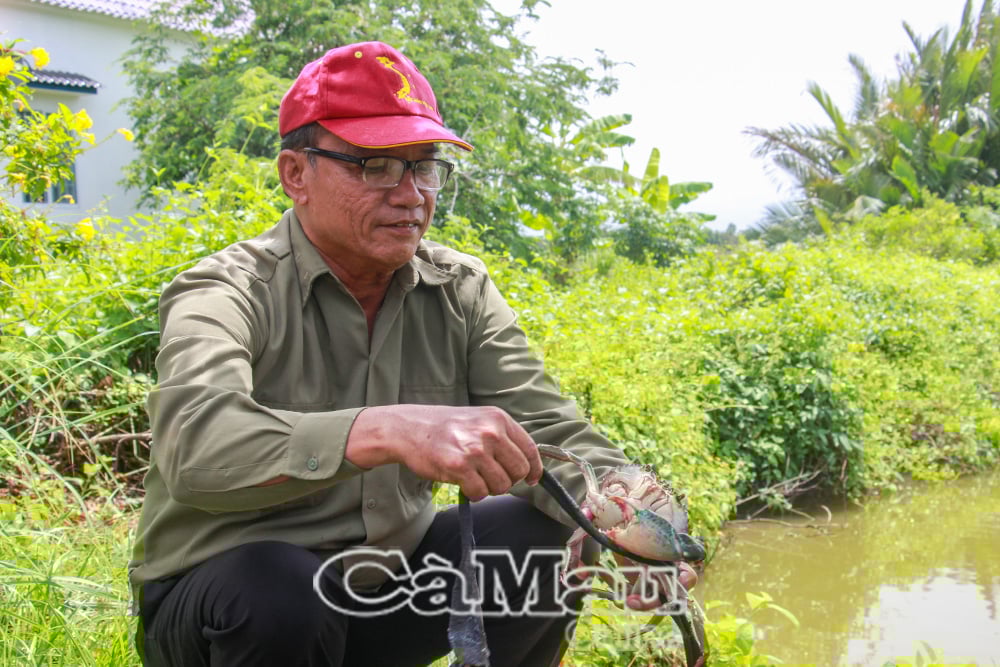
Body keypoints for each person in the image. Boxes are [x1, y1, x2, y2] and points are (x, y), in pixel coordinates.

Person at [129, 40, 691, 667]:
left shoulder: (459, 288)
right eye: (375, 165)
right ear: (295, 174)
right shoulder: (227, 290)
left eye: (424, 166)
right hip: (231, 607)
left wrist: (632, 514)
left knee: (537, 534)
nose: (410, 194)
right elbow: (197, 444)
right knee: (279, 586)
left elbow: (552, 431)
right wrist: (384, 430)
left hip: (387, 590)